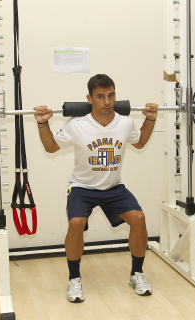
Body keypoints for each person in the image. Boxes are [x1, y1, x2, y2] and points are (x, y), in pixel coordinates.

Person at [33, 74, 158, 303]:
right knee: (76, 223)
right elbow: (51, 147)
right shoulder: (77, 125)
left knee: (139, 218)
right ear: (90, 98)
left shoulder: (125, 122)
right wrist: (43, 122)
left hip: (113, 187)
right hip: (82, 187)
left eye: (111, 96)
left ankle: (137, 274)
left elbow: (139, 142)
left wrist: (150, 119)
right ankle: (74, 278)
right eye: (100, 97)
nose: (107, 102)